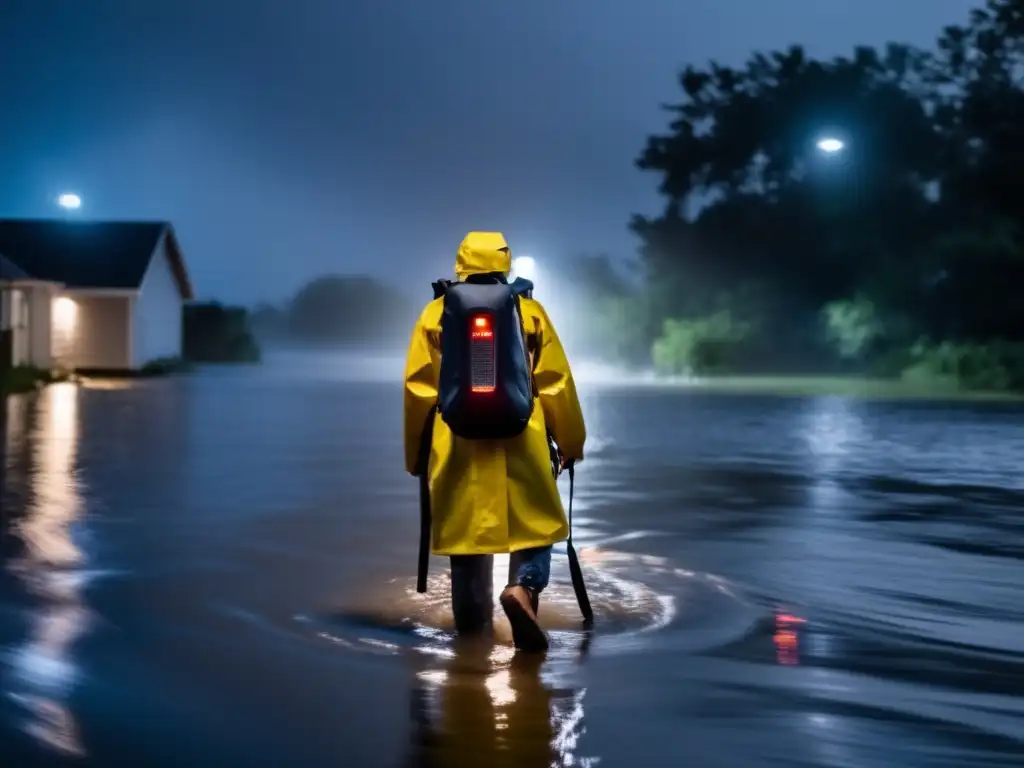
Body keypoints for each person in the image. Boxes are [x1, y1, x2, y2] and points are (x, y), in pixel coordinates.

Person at [403, 231, 586, 652]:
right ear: (505, 265)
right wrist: (571, 443)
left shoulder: (434, 314)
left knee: (468, 546)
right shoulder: (529, 310)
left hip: (457, 447)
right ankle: (522, 591)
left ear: (460, 264)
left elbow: (419, 391)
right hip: (523, 440)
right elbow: (556, 383)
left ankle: (471, 644)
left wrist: (416, 456)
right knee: (534, 530)